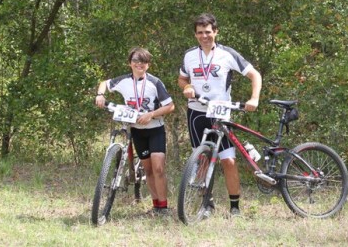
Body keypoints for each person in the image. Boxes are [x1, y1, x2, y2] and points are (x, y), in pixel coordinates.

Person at [178, 13, 262, 217]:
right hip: (197, 112)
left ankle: (235, 208)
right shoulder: (189, 55)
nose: (204, 36)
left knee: (228, 161)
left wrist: (254, 99)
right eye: (200, 33)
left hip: (221, 112)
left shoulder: (227, 54)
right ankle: (207, 204)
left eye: (208, 32)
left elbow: (255, 75)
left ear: (216, 32)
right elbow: (181, 79)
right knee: (202, 160)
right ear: (195, 34)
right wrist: (187, 86)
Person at [95, 47, 175, 216]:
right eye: (136, 62)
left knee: (158, 168)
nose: (139, 65)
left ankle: (164, 207)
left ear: (148, 65)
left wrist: (151, 114)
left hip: (155, 129)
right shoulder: (123, 81)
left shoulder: (155, 82)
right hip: (137, 131)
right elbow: (104, 83)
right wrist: (100, 95)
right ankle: (156, 206)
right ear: (130, 63)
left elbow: (170, 106)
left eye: (143, 62)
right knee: (148, 170)